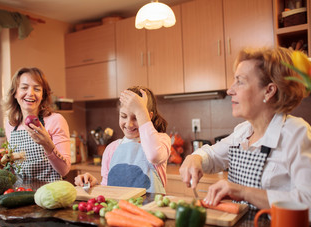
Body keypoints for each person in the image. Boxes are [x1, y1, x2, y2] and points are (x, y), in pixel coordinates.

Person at [179, 47, 311, 216]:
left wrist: (243, 192)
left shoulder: (297, 133)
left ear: (269, 90)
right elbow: (211, 156)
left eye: (240, 81)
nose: (230, 90)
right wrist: (194, 158)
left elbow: (308, 202)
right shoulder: (243, 132)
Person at [75, 86, 171, 193]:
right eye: (123, 116)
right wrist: (93, 183)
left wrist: (141, 110)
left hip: (149, 208)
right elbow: (107, 188)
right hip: (118, 208)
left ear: (148, 116)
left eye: (136, 117)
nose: (129, 124)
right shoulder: (111, 149)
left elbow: (154, 156)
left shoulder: (161, 140)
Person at [4, 67, 71, 182]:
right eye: (24, 87)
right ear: (15, 93)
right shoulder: (10, 125)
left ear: (43, 95)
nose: (30, 93)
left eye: (37, 89)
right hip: (20, 193)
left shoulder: (55, 120)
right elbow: (14, 168)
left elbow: (64, 170)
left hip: (49, 195)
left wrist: (48, 145)